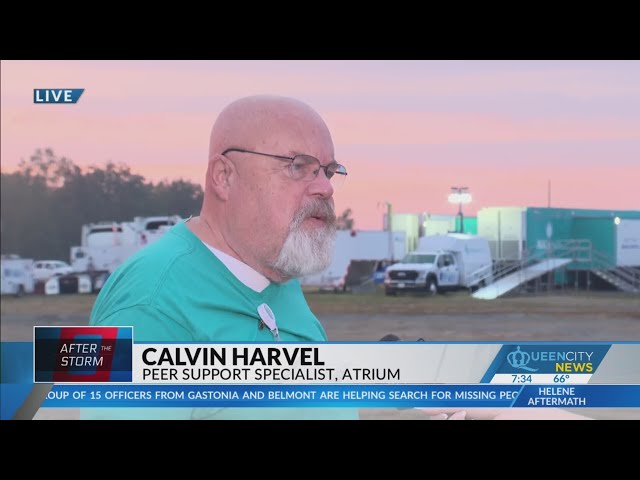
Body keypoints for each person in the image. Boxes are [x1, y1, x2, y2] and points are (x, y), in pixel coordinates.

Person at [86, 94, 355, 419]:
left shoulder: (276, 274)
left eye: (327, 170)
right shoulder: (149, 305)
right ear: (223, 177)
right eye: (299, 167)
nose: (325, 188)